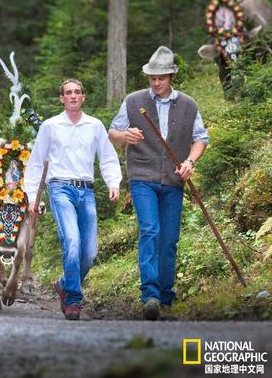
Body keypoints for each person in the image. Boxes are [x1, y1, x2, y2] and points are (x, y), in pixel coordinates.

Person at [108, 46, 208, 321]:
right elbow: (112, 133)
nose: (156, 82)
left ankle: (166, 295)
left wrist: (190, 161)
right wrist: (124, 136)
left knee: (169, 239)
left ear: (171, 75)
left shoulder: (188, 104)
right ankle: (150, 295)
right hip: (142, 177)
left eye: (161, 77)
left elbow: (201, 138)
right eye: (152, 77)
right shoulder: (133, 101)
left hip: (174, 180)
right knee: (150, 231)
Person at [23, 79, 121, 320]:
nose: (73, 96)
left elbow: (107, 157)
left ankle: (64, 283)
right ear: (62, 98)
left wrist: (113, 182)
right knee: (72, 241)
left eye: (77, 92)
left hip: (86, 190)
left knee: (89, 253)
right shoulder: (50, 126)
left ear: (83, 97)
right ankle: (74, 301)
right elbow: (36, 162)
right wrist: (32, 197)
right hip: (60, 188)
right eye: (68, 92)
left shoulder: (95, 125)